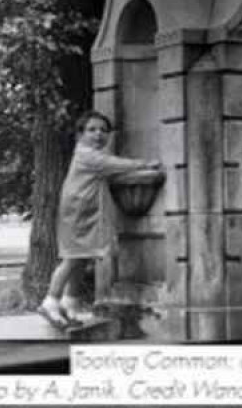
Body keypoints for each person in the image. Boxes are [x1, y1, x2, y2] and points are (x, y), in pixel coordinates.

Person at [37, 110, 160, 328]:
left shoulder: (91, 156)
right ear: (80, 135)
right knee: (72, 258)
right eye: (92, 130)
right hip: (77, 212)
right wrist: (144, 164)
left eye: (104, 130)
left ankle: (69, 303)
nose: (98, 134)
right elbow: (114, 164)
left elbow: (109, 168)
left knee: (82, 258)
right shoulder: (87, 155)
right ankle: (50, 301)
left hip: (84, 211)